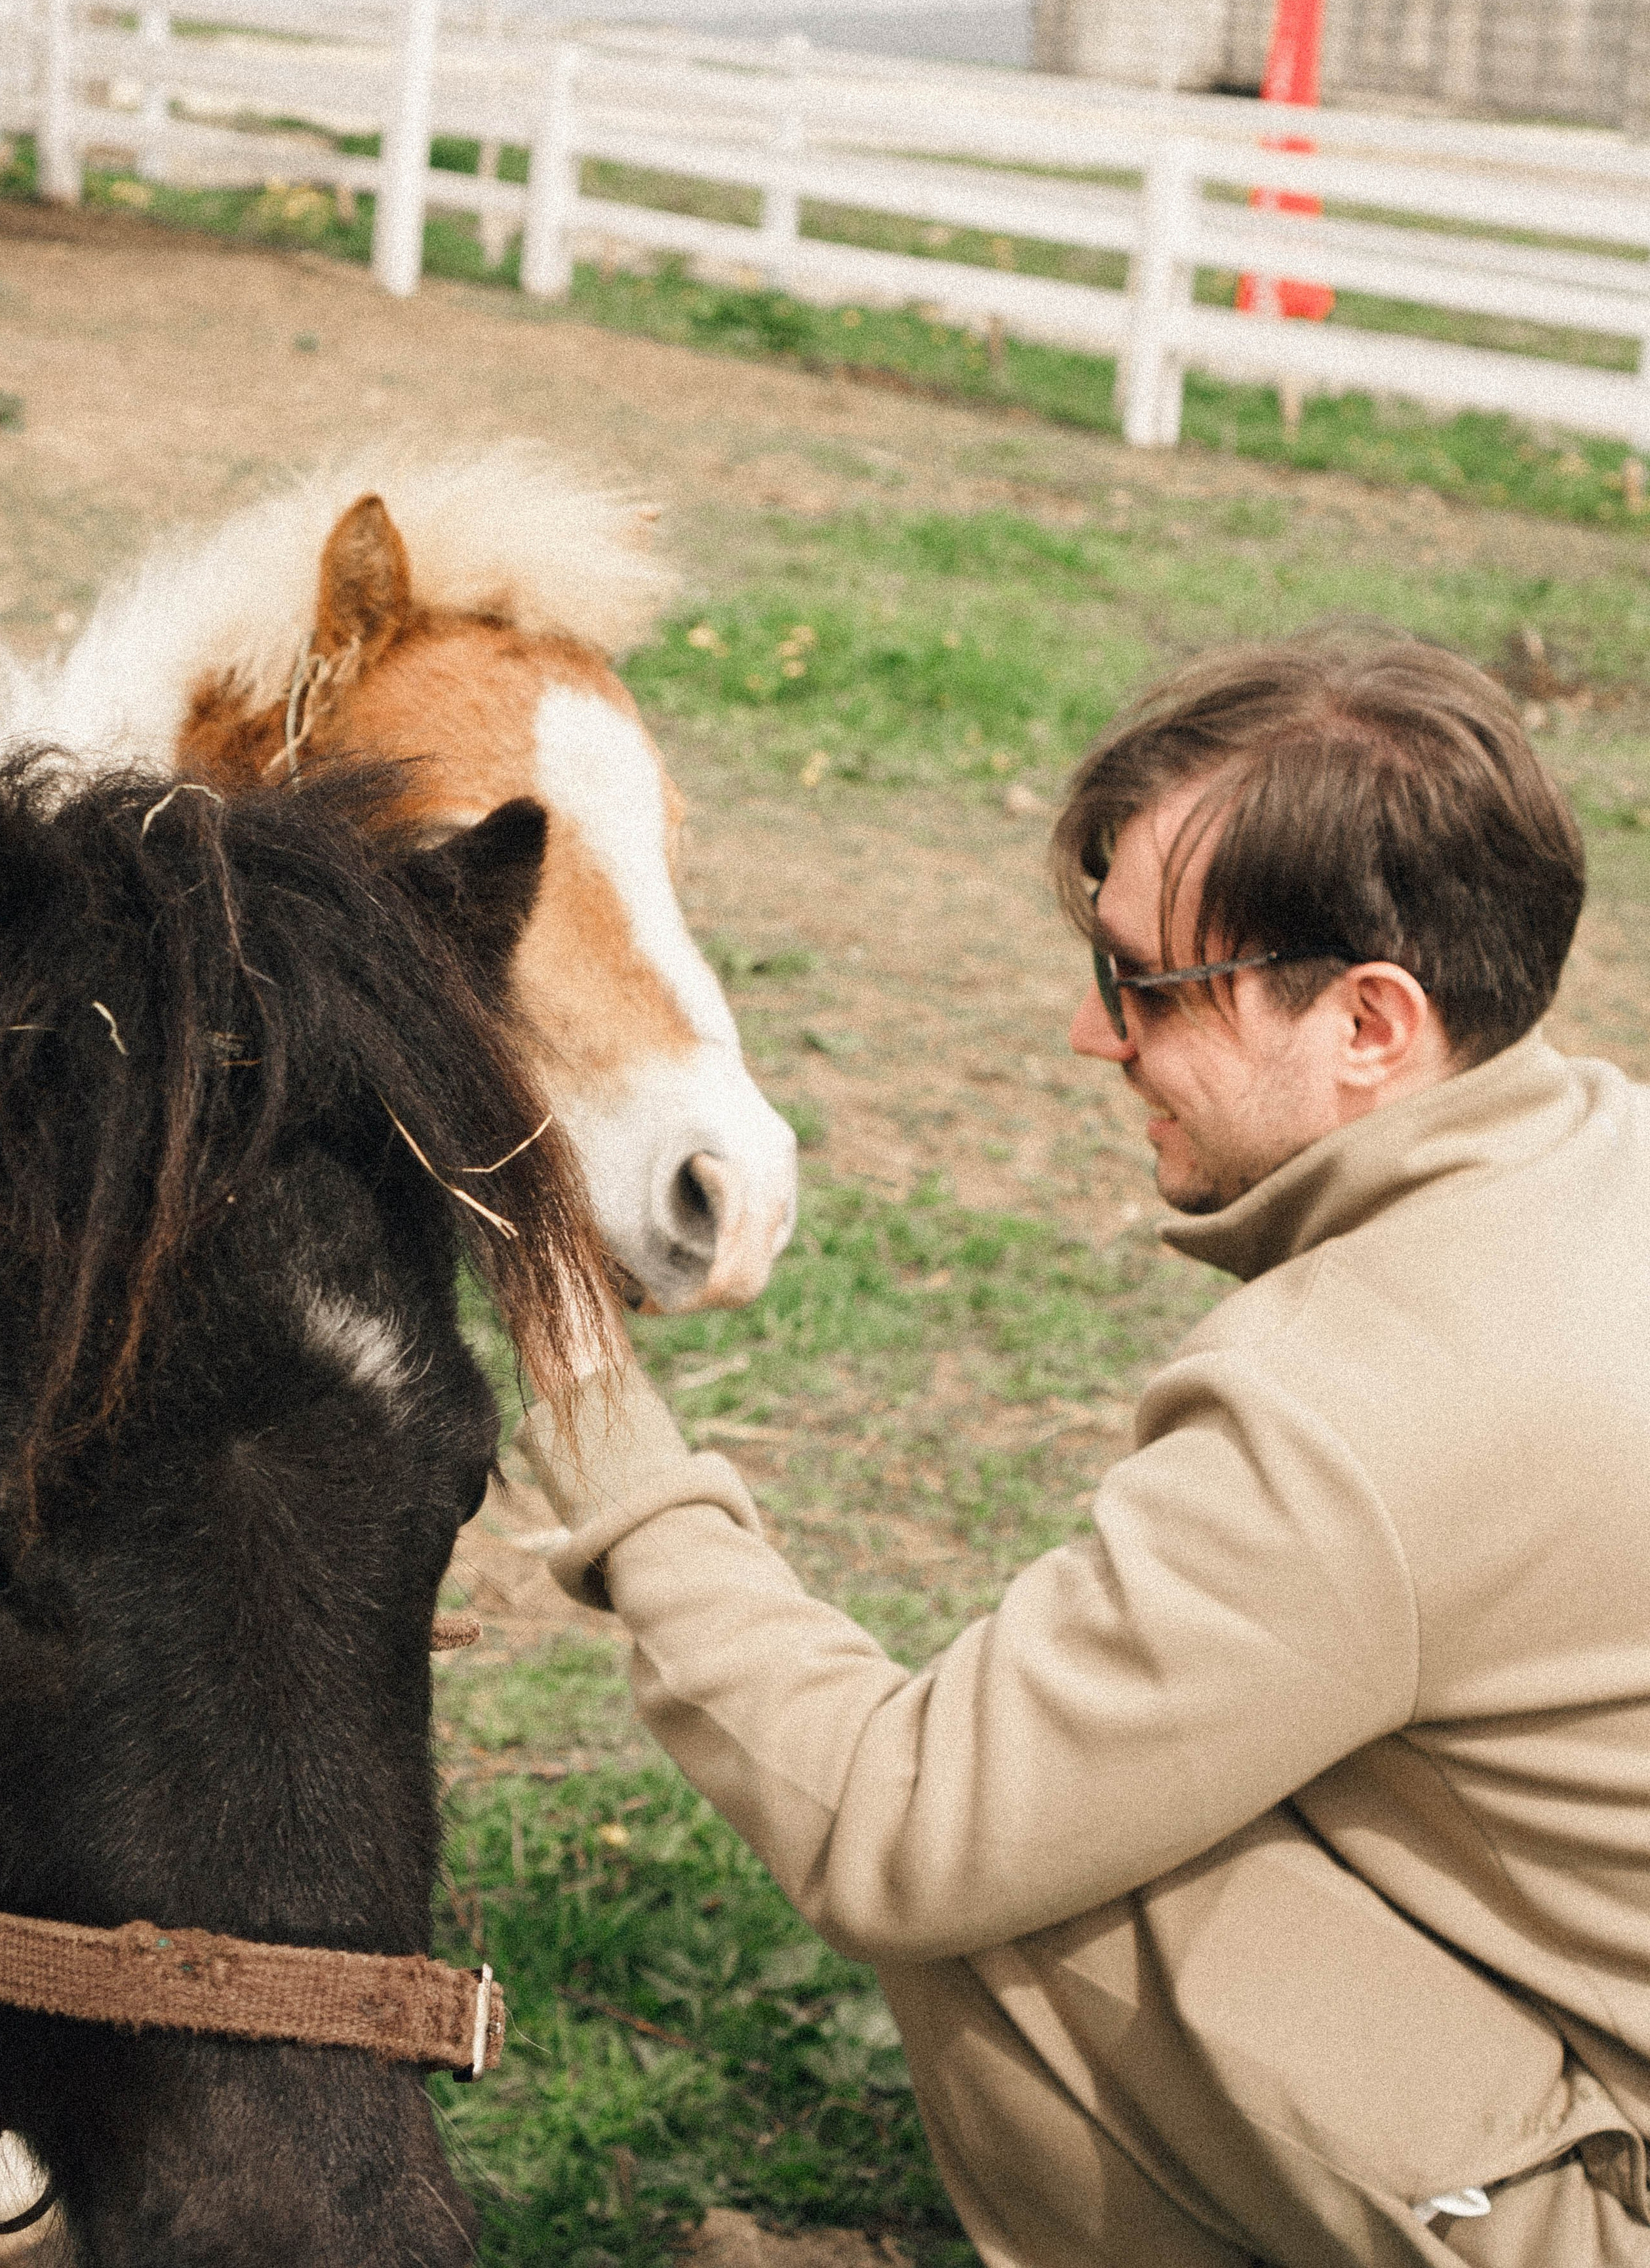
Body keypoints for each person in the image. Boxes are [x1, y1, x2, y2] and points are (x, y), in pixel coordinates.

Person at [524, 629, 1650, 2266]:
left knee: (1017, 1867)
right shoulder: (1595, 1157)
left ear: (1367, 1025)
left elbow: (898, 1829)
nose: (1086, 1032)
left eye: (1145, 984)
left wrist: (604, 1431)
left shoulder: (1350, 1410)